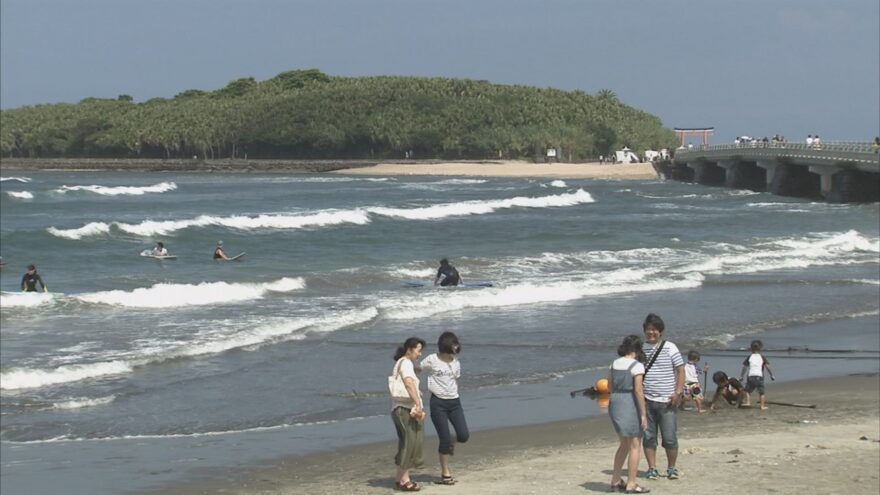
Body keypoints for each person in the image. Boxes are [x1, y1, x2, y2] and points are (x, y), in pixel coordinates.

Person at [420, 331, 469, 486]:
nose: (457, 346)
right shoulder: (432, 359)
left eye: (457, 344)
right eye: (454, 344)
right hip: (438, 403)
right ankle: (445, 473)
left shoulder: (456, 361)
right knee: (444, 439)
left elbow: (455, 380)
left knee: (463, 435)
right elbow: (416, 369)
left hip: (454, 402)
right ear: (446, 345)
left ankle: (452, 443)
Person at [640, 313, 684, 481]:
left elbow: (680, 370)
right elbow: (636, 373)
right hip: (646, 400)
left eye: (655, 329)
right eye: (648, 329)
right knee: (649, 437)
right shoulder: (640, 349)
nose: (651, 332)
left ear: (661, 331)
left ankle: (671, 468)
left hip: (667, 401)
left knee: (670, 437)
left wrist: (678, 392)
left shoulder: (670, 347)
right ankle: (652, 468)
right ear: (644, 331)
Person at [608, 334, 650, 494]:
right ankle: (631, 483)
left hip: (615, 401)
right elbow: (639, 390)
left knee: (623, 444)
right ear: (638, 349)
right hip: (629, 403)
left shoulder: (614, 363)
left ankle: (615, 479)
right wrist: (643, 414)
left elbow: (610, 385)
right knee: (634, 445)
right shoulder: (637, 366)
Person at [391, 337, 427, 492]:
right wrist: (418, 403)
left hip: (401, 409)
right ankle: (406, 480)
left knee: (406, 441)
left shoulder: (403, 363)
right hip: (404, 409)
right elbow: (408, 382)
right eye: (418, 351)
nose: (419, 354)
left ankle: (399, 477)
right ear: (410, 349)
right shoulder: (405, 363)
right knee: (409, 442)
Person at [740, 340, 775, 410]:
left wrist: (741, 376)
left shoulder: (749, 357)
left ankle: (748, 402)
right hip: (759, 376)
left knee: (747, 391)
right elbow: (767, 367)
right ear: (761, 348)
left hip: (750, 376)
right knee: (761, 392)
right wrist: (772, 375)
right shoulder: (762, 357)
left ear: (751, 348)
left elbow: (745, 367)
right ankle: (762, 406)